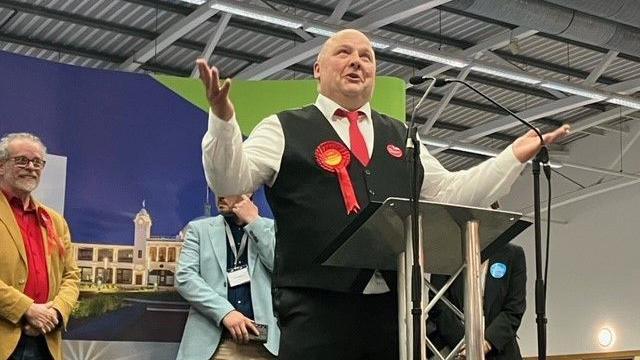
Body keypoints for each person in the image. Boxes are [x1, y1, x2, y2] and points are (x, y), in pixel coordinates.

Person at [196, 29, 569, 359]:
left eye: (367, 57)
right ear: (317, 69)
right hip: (317, 310)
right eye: (344, 53)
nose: (356, 62)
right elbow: (231, 182)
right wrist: (223, 120)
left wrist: (513, 155)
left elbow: (454, 192)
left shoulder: (404, 137)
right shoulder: (283, 127)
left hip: (395, 313)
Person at [0, 132, 80, 360]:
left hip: (46, 341)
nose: (31, 167)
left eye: (37, 162)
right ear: (1, 166)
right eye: (22, 160)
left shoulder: (54, 220)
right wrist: (26, 309)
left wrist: (54, 313)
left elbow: (71, 276)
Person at [175, 194, 279, 360]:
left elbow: (281, 269)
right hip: (214, 346)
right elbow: (185, 278)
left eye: (227, 186)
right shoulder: (198, 230)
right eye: (217, 187)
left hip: (265, 347)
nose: (220, 194)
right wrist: (225, 313)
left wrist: (254, 222)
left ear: (248, 191)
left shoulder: (272, 229)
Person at [429, 243, 526, 359]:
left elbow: (514, 309)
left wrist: (487, 342)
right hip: (455, 349)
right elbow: (438, 305)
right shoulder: (447, 254)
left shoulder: (513, 254)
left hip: (499, 349)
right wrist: (466, 345)